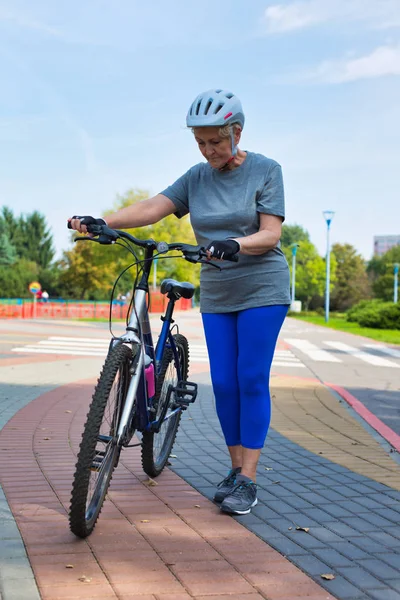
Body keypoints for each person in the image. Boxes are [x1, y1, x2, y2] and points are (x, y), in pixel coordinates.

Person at [68, 89, 290, 515]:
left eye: (216, 142)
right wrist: (102, 220)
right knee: (223, 383)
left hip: (263, 287)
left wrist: (233, 244)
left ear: (237, 132)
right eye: (200, 142)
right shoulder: (197, 176)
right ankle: (233, 468)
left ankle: (249, 478)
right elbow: (155, 206)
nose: (208, 151)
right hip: (221, 290)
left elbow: (270, 235)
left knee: (249, 379)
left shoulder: (266, 170)